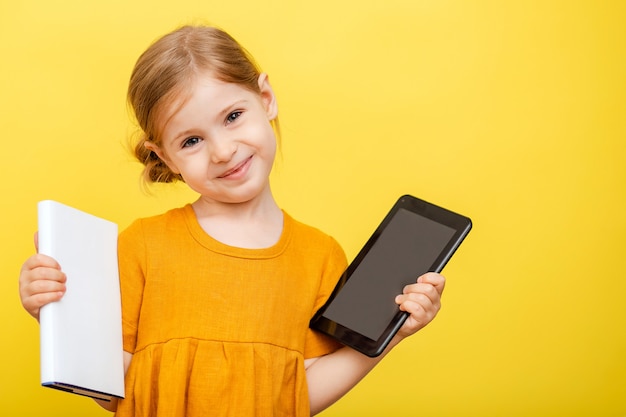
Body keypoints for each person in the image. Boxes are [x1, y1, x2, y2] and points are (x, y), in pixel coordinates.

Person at [18, 25, 446, 417]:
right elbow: (118, 391)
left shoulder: (320, 256)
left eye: (233, 116)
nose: (222, 151)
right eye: (191, 140)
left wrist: (392, 334)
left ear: (266, 99)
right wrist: (58, 317)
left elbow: (300, 396)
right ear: (164, 156)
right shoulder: (141, 245)